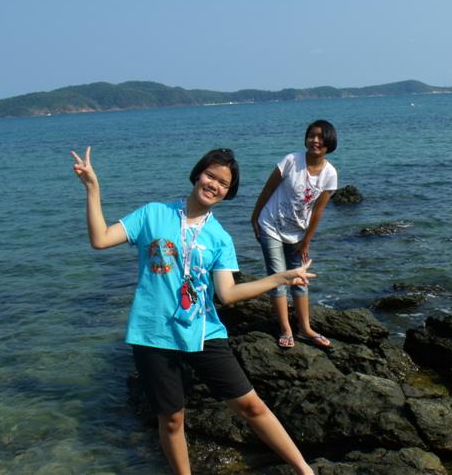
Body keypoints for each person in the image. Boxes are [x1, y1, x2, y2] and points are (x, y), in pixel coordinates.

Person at [71, 146, 315, 475]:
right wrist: (92, 188)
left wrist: (280, 278)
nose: (214, 185)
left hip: (203, 331)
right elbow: (100, 239)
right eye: (211, 176)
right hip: (153, 332)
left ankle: (304, 470)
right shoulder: (153, 214)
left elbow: (227, 294)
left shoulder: (220, 238)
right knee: (172, 420)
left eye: (224, 183)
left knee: (251, 405)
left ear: (228, 192)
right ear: (198, 174)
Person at [251, 120, 338, 349]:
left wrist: (306, 240)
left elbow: (318, 212)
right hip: (271, 224)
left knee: (300, 279)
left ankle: (305, 328)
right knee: (278, 277)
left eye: (320, 137)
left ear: (329, 142)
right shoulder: (291, 160)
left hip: (298, 232)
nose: (315, 140)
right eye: (311, 135)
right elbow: (268, 189)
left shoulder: (330, 174)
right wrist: (254, 216)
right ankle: (286, 328)